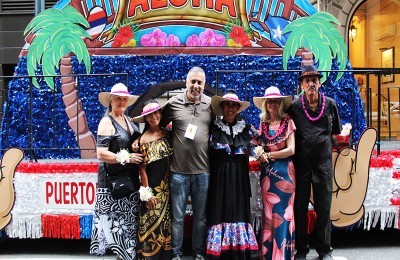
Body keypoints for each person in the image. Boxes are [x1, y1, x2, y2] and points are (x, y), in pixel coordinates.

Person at [287, 64, 342, 260]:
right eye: (307, 80)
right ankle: (301, 250)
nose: (311, 83)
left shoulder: (330, 104)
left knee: (324, 210)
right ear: (301, 85)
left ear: (320, 84)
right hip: (301, 166)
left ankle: (324, 250)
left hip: (323, 166)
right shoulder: (294, 107)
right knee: (300, 209)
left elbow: (335, 131)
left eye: (314, 80)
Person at [160, 66, 213, 260]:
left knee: (200, 218)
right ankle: (176, 254)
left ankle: (199, 253)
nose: (196, 86)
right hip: (178, 172)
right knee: (178, 218)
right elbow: (158, 125)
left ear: (204, 84)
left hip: (203, 172)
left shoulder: (210, 105)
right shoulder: (173, 103)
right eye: (193, 82)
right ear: (186, 82)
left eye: (200, 82)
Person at [90, 83, 144, 260]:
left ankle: (125, 257)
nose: (121, 101)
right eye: (118, 98)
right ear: (111, 101)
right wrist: (127, 157)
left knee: (127, 224)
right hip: (112, 183)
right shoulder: (107, 122)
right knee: (116, 225)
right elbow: (101, 153)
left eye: (124, 99)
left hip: (128, 180)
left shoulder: (128, 120)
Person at [206, 90, 259, 259]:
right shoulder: (213, 129)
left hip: (239, 178)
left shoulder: (247, 129)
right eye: (227, 104)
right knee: (220, 211)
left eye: (234, 105)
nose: (230, 108)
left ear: (238, 108)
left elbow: (264, 142)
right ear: (222, 107)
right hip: (220, 178)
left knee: (238, 211)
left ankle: (238, 251)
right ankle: (220, 251)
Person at [253, 86, 296, 260]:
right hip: (268, 176)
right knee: (269, 212)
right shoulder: (262, 125)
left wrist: (269, 154)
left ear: (280, 103)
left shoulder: (289, 122)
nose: (272, 104)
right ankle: (268, 254)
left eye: (275, 101)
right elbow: (256, 145)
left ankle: (282, 255)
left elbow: (291, 149)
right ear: (265, 103)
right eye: (270, 101)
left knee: (283, 213)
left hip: (285, 175)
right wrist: (259, 153)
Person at [132, 100, 174, 259]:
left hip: (167, 190)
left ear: (161, 114)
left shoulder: (169, 134)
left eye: (156, 113)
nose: (153, 116)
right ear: (145, 118)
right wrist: (147, 194)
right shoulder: (143, 140)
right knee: (150, 223)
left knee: (165, 225)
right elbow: (142, 169)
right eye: (149, 114)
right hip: (152, 189)